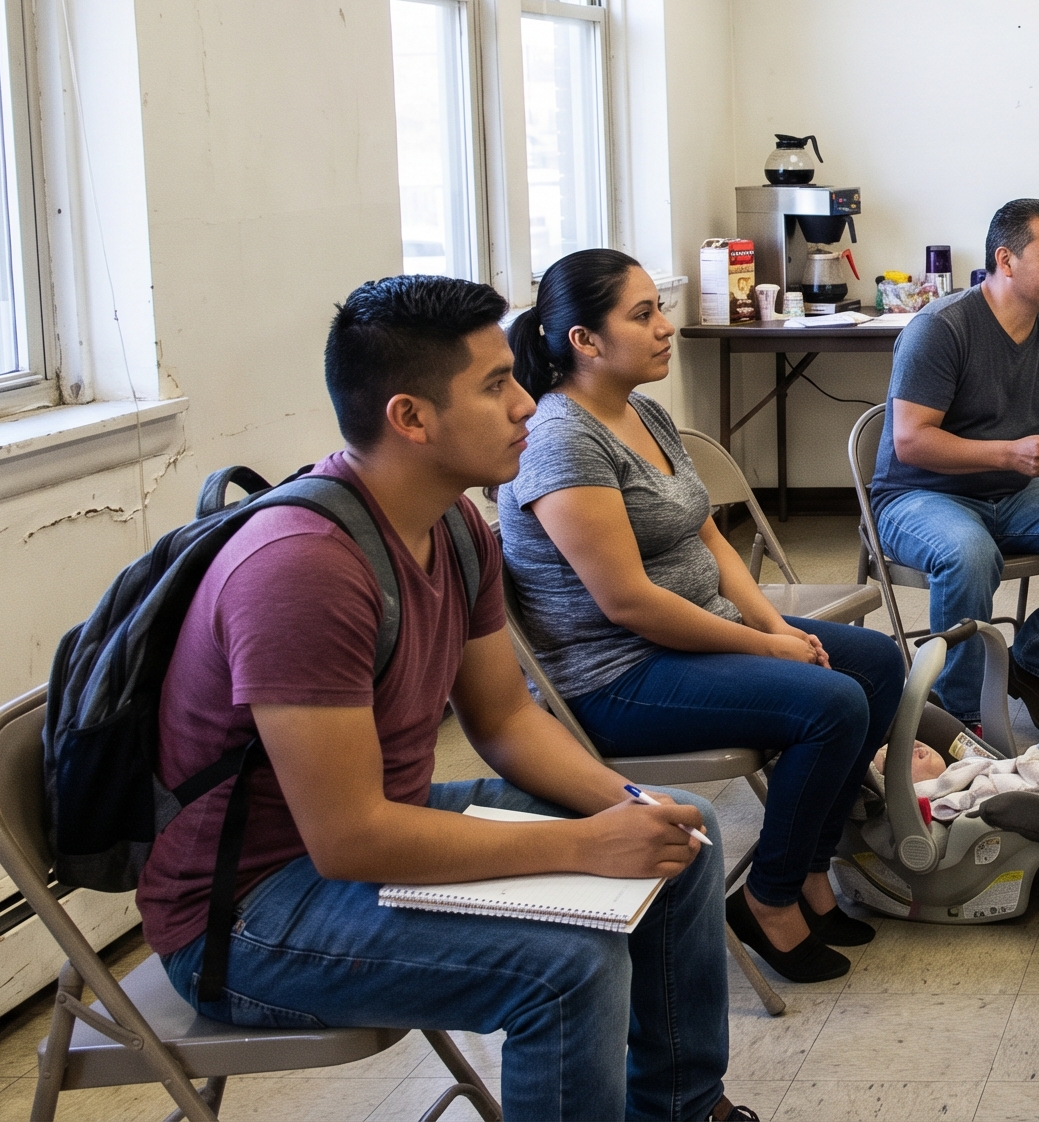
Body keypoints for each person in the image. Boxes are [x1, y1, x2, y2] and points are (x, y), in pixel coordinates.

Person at [145, 276, 758, 1122]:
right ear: (411, 417)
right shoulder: (302, 570)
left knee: (678, 834)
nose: (525, 406)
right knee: (567, 970)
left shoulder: (458, 527)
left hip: (371, 840)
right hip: (249, 914)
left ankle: (684, 1110)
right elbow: (349, 836)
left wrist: (628, 806)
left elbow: (505, 722)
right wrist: (585, 845)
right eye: (495, 385)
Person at [501, 248, 904, 984]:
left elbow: (708, 533)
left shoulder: (643, 411)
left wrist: (775, 629)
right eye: (643, 313)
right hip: (616, 677)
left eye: (660, 307)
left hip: (692, 643)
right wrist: (766, 650)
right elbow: (627, 603)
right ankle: (769, 900)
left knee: (877, 663)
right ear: (582, 342)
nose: (666, 326)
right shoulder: (560, 440)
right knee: (832, 703)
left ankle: (812, 871)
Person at [870, 198, 1039, 736]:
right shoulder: (941, 327)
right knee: (969, 553)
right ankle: (961, 719)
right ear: (1007, 260)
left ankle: (1036, 667)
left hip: (1012, 493)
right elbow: (911, 443)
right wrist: (1011, 453)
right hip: (917, 496)